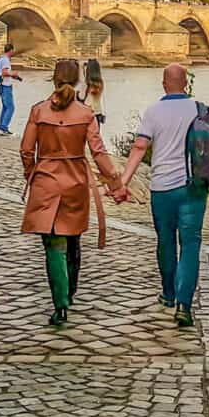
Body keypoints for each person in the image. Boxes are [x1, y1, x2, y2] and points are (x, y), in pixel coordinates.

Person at [20, 59, 120, 327]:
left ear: (53, 79)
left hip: (46, 179)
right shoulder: (85, 114)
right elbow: (98, 152)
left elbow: (26, 150)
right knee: (72, 239)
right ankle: (70, 290)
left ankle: (60, 305)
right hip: (75, 179)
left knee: (53, 245)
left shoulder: (37, 111)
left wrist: (32, 173)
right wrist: (114, 180)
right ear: (77, 81)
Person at [116, 62, 205, 328]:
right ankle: (184, 305)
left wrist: (123, 182)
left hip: (162, 189)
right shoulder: (199, 109)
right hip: (193, 189)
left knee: (166, 242)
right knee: (190, 244)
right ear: (186, 83)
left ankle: (168, 293)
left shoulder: (154, 111)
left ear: (164, 84)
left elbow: (140, 147)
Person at [0, 43, 22, 136]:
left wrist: (13, 76)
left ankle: (2, 127)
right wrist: (13, 73)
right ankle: (3, 128)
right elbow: (4, 72)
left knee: (5, 107)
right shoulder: (5, 60)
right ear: (11, 50)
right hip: (6, 86)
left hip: (2, 85)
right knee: (11, 107)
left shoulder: (1, 59)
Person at [82, 59, 106, 126]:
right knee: (95, 134)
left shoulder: (87, 84)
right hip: (98, 112)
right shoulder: (100, 83)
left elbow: (81, 96)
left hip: (87, 112)